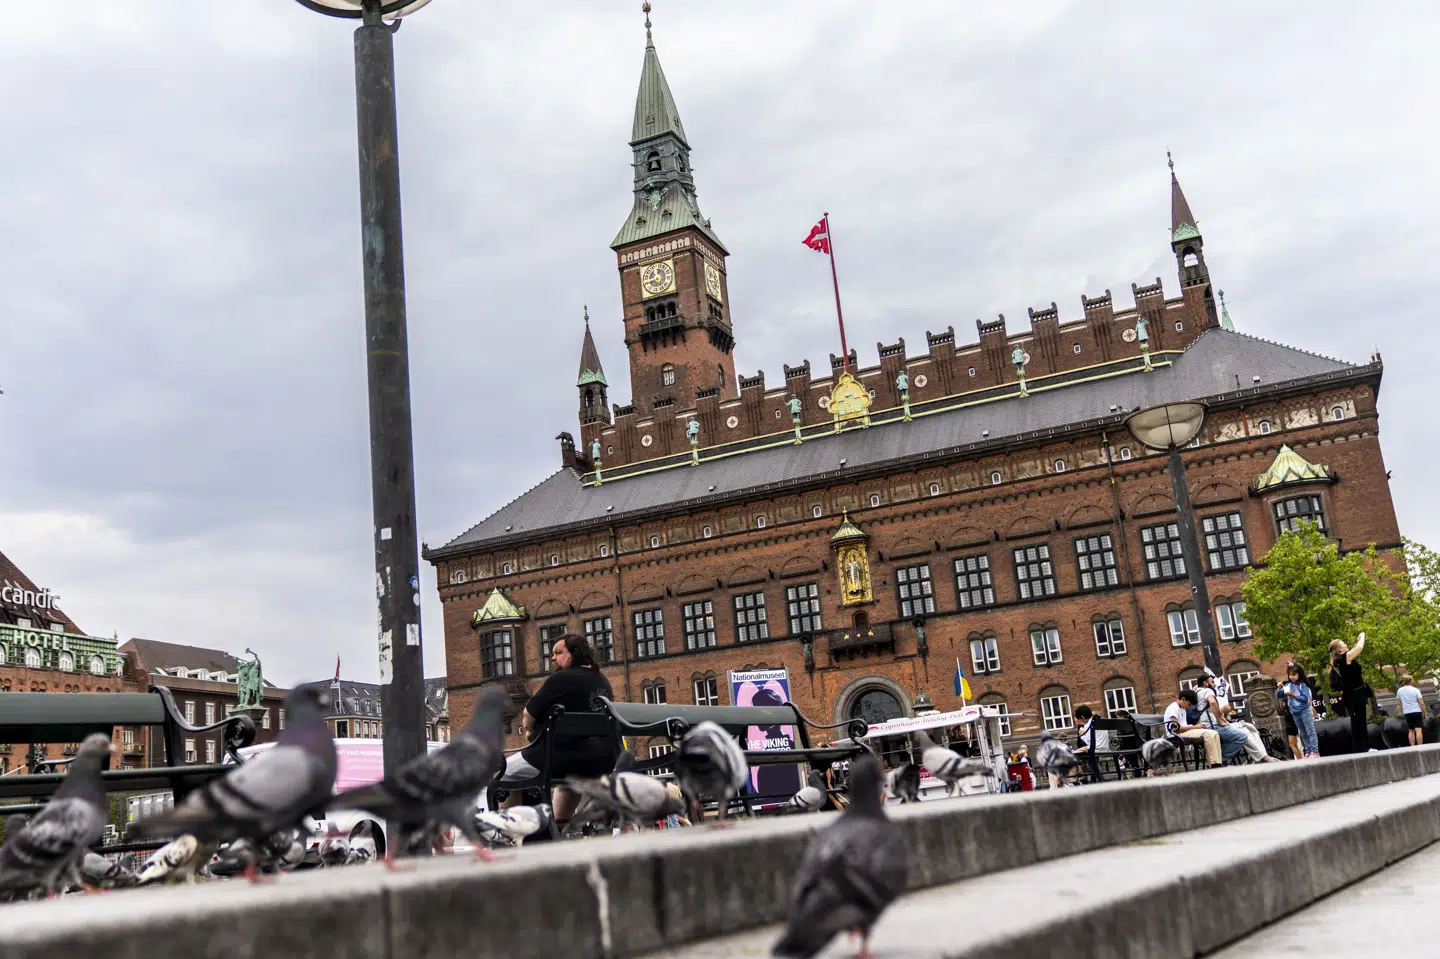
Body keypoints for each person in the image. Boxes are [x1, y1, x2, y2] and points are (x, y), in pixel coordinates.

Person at [498, 633, 616, 829]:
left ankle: (508, 832)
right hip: (601, 759)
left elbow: (529, 713)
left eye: (558, 652)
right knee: (569, 784)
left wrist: (528, 732)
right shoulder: (602, 680)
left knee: (503, 773)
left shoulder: (562, 678)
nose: (553, 658)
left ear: (574, 654)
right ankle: (556, 831)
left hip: (559, 758)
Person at [1194, 675, 1253, 763]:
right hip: (1211, 726)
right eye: (1212, 682)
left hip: (1201, 727)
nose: (1215, 685)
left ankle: (1217, 756)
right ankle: (1219, 757)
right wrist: (1219, 721)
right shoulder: (1207, 690)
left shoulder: (1195, 692)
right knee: (1242, 736)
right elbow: (1213, 703)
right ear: (1205, 683)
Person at [1329, 632, 1369, 753]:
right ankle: (1361, 749)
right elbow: (1359, 648)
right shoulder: (1345, 657)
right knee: (1358, 722)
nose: (1346, 644)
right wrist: (1362, 637)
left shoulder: (1344, 658)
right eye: (1343, 644)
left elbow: (1355, 649)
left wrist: (1358, 641)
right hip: (1354, 695)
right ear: (1340, 650)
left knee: (1359, 721)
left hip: (1355, 694)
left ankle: (1362, 748)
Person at [1163, 690, 1222, 768]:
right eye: (1189, 704)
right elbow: (1175, 728)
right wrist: (1195, 727)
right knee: (1208, 734)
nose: (1189, 706)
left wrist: (1195, 727)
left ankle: (1218, 762)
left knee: (1214, 733)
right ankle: (1214, 763)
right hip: (1176, 735)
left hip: (1183, 732)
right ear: (1183, 699)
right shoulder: (1174, 708)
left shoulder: (1182, 709)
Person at [1281, 663, 1320, 758]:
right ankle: (1308, 750)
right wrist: (1279, 688)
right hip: (1294, 712)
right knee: (1303, 733)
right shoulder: (1288, 685)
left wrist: (1293, 694)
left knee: (1310, 731)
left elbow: (1304, 698)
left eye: (1294, 675)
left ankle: (1315, 751)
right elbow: (1279, 695)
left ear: (1299, 674)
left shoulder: (1303, 686)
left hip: (1304, 711)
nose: (1292, 677)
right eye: (1290, 675)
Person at [1072, 705, 1102, 783]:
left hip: (1095, 748)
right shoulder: (1099, 720)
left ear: (1082, 716)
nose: (1082, 722)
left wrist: (1082, 735)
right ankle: (1093, 779)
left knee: (1072, 754)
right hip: (1104, 747)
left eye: (1080, 720)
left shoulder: (1089, 724)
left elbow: (1089, 742)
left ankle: (1078, 779)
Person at [1396, 673, 1426, 747]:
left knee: (1411, 730)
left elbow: (1399, 703)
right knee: (1418, 730)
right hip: (1416, 711)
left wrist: (1402, 710)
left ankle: (1412, 746)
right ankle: (1420, 746)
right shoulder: (1415, 690)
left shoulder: (1400, 690)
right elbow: (1421, 703)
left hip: (1407, 712)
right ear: (1411, 681)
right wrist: (1425, 712)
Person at [1275, 682, 1302, 759]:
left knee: (1291, 744)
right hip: (1293, 726)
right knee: (1295, 744)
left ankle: (1300, 759)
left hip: (1291, 726)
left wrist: (1278, 688)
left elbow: (1278, 698)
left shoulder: (1288, 707)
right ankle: (1300, 758)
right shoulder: (1291, 705)